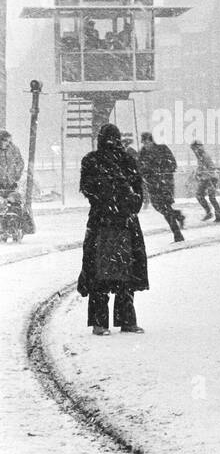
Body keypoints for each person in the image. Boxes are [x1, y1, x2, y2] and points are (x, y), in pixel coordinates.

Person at [78, 124, 148, 335]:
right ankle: (126, 320)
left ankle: (99, 322)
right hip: (125, 223)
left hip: (102, 223)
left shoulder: (91, 160)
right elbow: (138, 194)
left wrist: (105, 203)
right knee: (127, 272)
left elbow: (88, 190)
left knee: (99, 271)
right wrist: (126, 206)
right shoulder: (127, 160)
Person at [138, 133, 185, 242]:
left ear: (152, 141)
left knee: (166, 207)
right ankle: (177, 215)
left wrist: (163, 174)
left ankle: (177, 233)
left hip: (165, 184)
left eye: (147, 142)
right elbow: (139, 167)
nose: (146, 144)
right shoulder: (143, 153)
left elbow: (172, 164)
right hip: (152, 185)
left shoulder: (162, 149)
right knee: (158, 206)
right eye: (144, 143)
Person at [190, 140, 220, 222]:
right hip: (205, 178)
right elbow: (201, 167)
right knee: (199, 195)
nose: (194, 151)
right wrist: (197, 173)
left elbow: (211, 168)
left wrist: (204, 175)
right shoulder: (200, 156)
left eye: (194, 149)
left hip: (211, 178)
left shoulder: (204, 156)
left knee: (211, 197)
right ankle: (209, 212)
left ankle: (218, 215)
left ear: (197, 147)